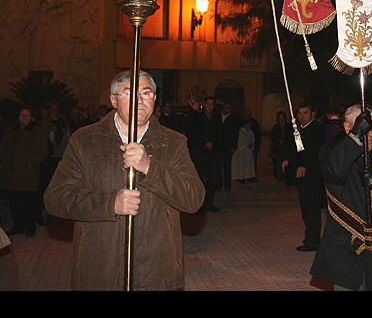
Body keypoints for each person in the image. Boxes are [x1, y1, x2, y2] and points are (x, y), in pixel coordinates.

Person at [43, 70, 205, 291]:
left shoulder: (174, 142)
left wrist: (149, 168)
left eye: (146, 93)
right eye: (129, 93)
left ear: (154, 99)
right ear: (113, 100)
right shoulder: (85, 140)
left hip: (156, 272)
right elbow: (55, 199)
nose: (139, 100)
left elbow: (194, 199)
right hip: (99, 271)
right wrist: (111, 203)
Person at [310, 105, 372, 290]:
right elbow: (334, 173)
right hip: (345, 249)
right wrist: (356, 136)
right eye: (363, 127)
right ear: (348, 128)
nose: (369, 133)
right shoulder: (331, 152)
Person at [282, 103, 326, 251]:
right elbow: (298, 149)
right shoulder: (300, 129)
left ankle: (313, 241)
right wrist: (290, 160)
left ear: (313, 113)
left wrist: (305, 165)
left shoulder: (316, 129)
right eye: (299, 113)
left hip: (311, 174)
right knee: (306, 208)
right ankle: (309, 238)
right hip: (302, 174)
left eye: (305, 113)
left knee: (311, 208)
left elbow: (316, 152)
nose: (302, 116)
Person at [0, 107, 49, 237]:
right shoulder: (11, 131)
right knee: (14, 202)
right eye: (22, 115)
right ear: (18, 117)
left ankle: (30, 227)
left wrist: (32, 163)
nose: (24, 118)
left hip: (27, 174)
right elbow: (3, 148)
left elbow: (43, 150)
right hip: (11, 174)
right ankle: (18, 226)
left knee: (28, 202)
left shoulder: (37, 131)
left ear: (31, 117)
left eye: (27, 115)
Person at [220, 102, 241, 191]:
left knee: (227, 166)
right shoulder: (217, 116)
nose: (227, 109)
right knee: (217, 166)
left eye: (229, 108)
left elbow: (235, 133)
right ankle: (218, 184)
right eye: (226, 107)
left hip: (228, 147)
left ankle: (227, 185)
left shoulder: (233, 119)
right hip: (218, 145)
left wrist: (233, 146)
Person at [269, 111, 295, 184]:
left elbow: (291, 137)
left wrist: (285, 141)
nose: (281, 119)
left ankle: (288, 178)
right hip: (278, 149)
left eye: (282, 118)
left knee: (288, 163)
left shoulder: (289, 127)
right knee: (278, 163)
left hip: (287, 148)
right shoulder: (275, 127)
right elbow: (273, 137)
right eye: (280, 118)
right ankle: (279, 177)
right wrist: (279, 140)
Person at [242, 108, 261, 180]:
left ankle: (252, 176)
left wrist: (256, 145)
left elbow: (257, 134)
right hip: (243, 147)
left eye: (248, 113)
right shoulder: (241, 121)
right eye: (246, 113)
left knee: (253, 162)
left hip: (253, 146)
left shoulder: (254, 122)